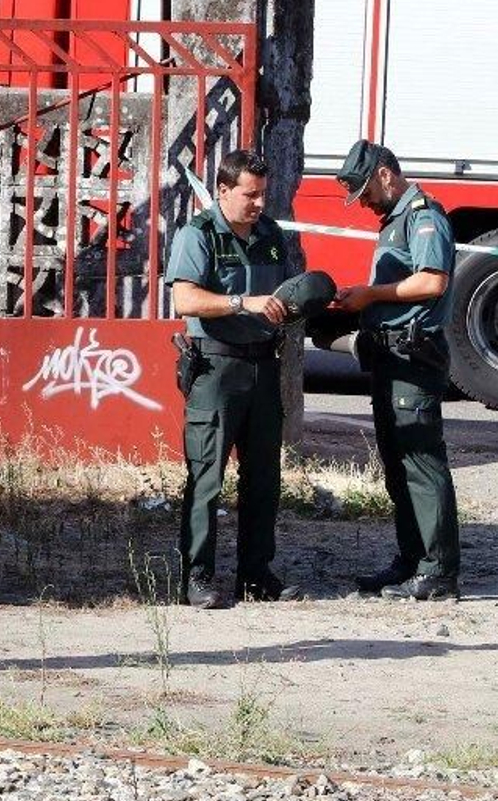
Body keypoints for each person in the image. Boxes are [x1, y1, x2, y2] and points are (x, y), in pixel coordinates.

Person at [164, 150, 300, 610]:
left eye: (264, 194)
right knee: (206, 478)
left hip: (263, 366)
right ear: (223, 191)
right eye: (250, 194)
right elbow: (184, 299)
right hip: (216, 370)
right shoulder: (198, 234)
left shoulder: (273, 237)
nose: (260, 203)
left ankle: (256, 574)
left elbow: (287, 291)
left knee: (264, 478)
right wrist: (243, 303)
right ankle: (198, 575)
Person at [333, 140, 461, 601]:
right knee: (398, 464)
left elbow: (432, 281)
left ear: (386, 175)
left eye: (365, 191)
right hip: (391, 356)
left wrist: (371, 295)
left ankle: (438, 571)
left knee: (420, 464)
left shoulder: (423, 216)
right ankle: (412, 561)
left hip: (414, 357)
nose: (363, 202)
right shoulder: (397, 220)